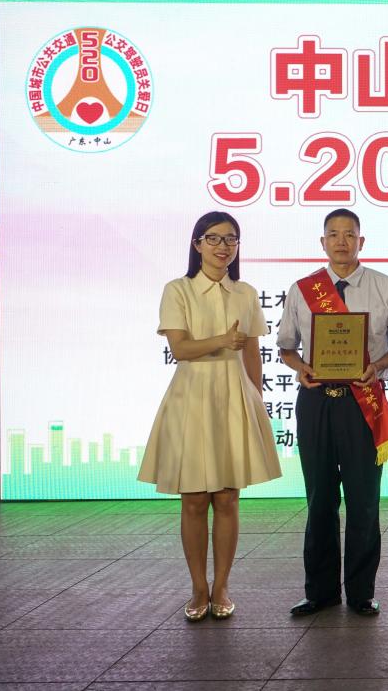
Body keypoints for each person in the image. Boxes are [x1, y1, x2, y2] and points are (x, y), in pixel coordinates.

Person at [139, 211, 281, 621]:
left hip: (235, 395)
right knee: (194, 499)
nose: (223, 246)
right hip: (193, 396)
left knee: (228, 497)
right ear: (197, 243)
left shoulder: (245, 292)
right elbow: (180, 349)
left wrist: (256, 398)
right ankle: (198, 588)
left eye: (231, 239)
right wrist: (222, 339)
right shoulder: (178, 289)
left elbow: (251, 351)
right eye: (214, 238)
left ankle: (221, 587)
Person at [278, 209, 388, 618]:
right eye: (333, 234)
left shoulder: (386, 287)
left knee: (363, 500)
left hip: (363, 402)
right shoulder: (302, 290)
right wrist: (301, 368)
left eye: (349, 234)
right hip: (316, 402)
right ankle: (320, 592)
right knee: (319, 499)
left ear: (361, 241)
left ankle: (360, 592)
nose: (341, 241)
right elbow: (286, 347)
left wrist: (379, 364)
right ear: (323, 242)